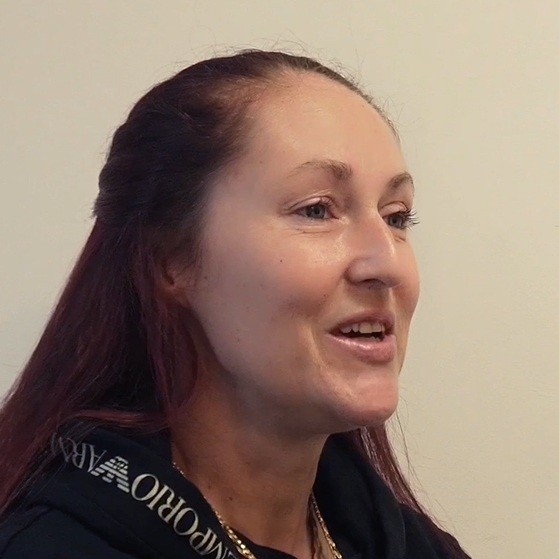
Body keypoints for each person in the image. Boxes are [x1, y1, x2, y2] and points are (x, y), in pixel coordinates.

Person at [0, 50, 471, 559]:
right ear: (170, 260)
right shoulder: (55, 543)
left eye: (396, 217)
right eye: (317, 210)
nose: (388, 264)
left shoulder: (401, 539)